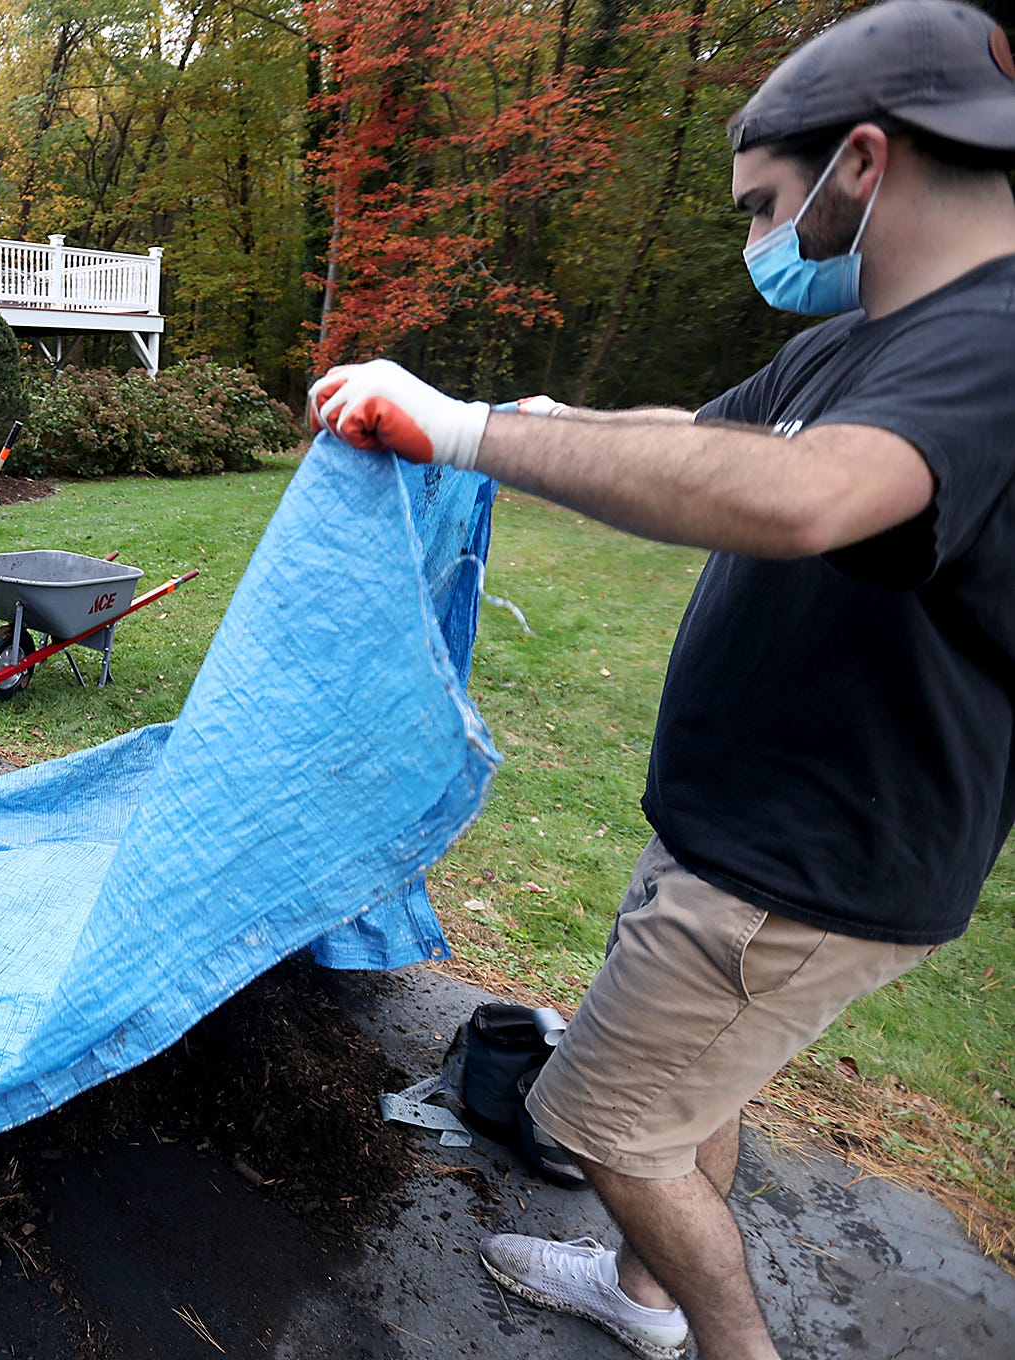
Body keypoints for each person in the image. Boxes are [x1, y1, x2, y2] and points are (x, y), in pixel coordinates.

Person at [310, 3, 1015, 1358]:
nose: (758, 242)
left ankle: (727, 1345)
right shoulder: (858, 336)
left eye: (766, 203)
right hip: (746, 836)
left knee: (601, 1126)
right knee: (686, 1098)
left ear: (861, 164)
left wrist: (467, 434)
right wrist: (492, 425)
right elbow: (686, 440)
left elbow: (811, 495)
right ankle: (638, 1299)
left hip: (804, 870)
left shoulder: (989, 340)